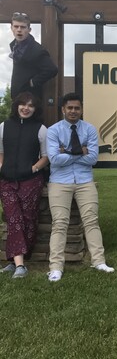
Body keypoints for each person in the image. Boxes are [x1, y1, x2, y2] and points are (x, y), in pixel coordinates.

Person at [46, 93, 114, 282]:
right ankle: (55, 267)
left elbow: (92, 159)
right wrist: (79, 151)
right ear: (63, 109)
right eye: (70, 108)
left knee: (91, 221)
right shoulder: (53, 131)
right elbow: (54, 159)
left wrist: (66, 151)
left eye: (77, 108)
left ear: (81, 109)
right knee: (59, 223)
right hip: (59, 182)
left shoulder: (89, 129)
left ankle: (99, 261)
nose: (73, 111)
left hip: (85, 181)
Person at [0, 92, 48, 278]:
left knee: (28, 219)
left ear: (35, 109)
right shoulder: (4, 126)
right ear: (17, 105)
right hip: (7, 181)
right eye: (23, 104)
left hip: (31, 181)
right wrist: (2, 167)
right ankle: (21, 266)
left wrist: (34, 168)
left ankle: (15, 261)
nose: (26, 108)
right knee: (13, 219)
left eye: (31, 105)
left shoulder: (41, 129)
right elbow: (1, 151)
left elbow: (46, 156)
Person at [9, 12, 58, 99]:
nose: (19, 30)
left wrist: (32, 82)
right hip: (16, 97)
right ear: (11, 28)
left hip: (30, 98)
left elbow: (52, 69)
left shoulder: (37, 50)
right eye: (16, 26)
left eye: (23, 27)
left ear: (29, 30)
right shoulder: (14, 46)